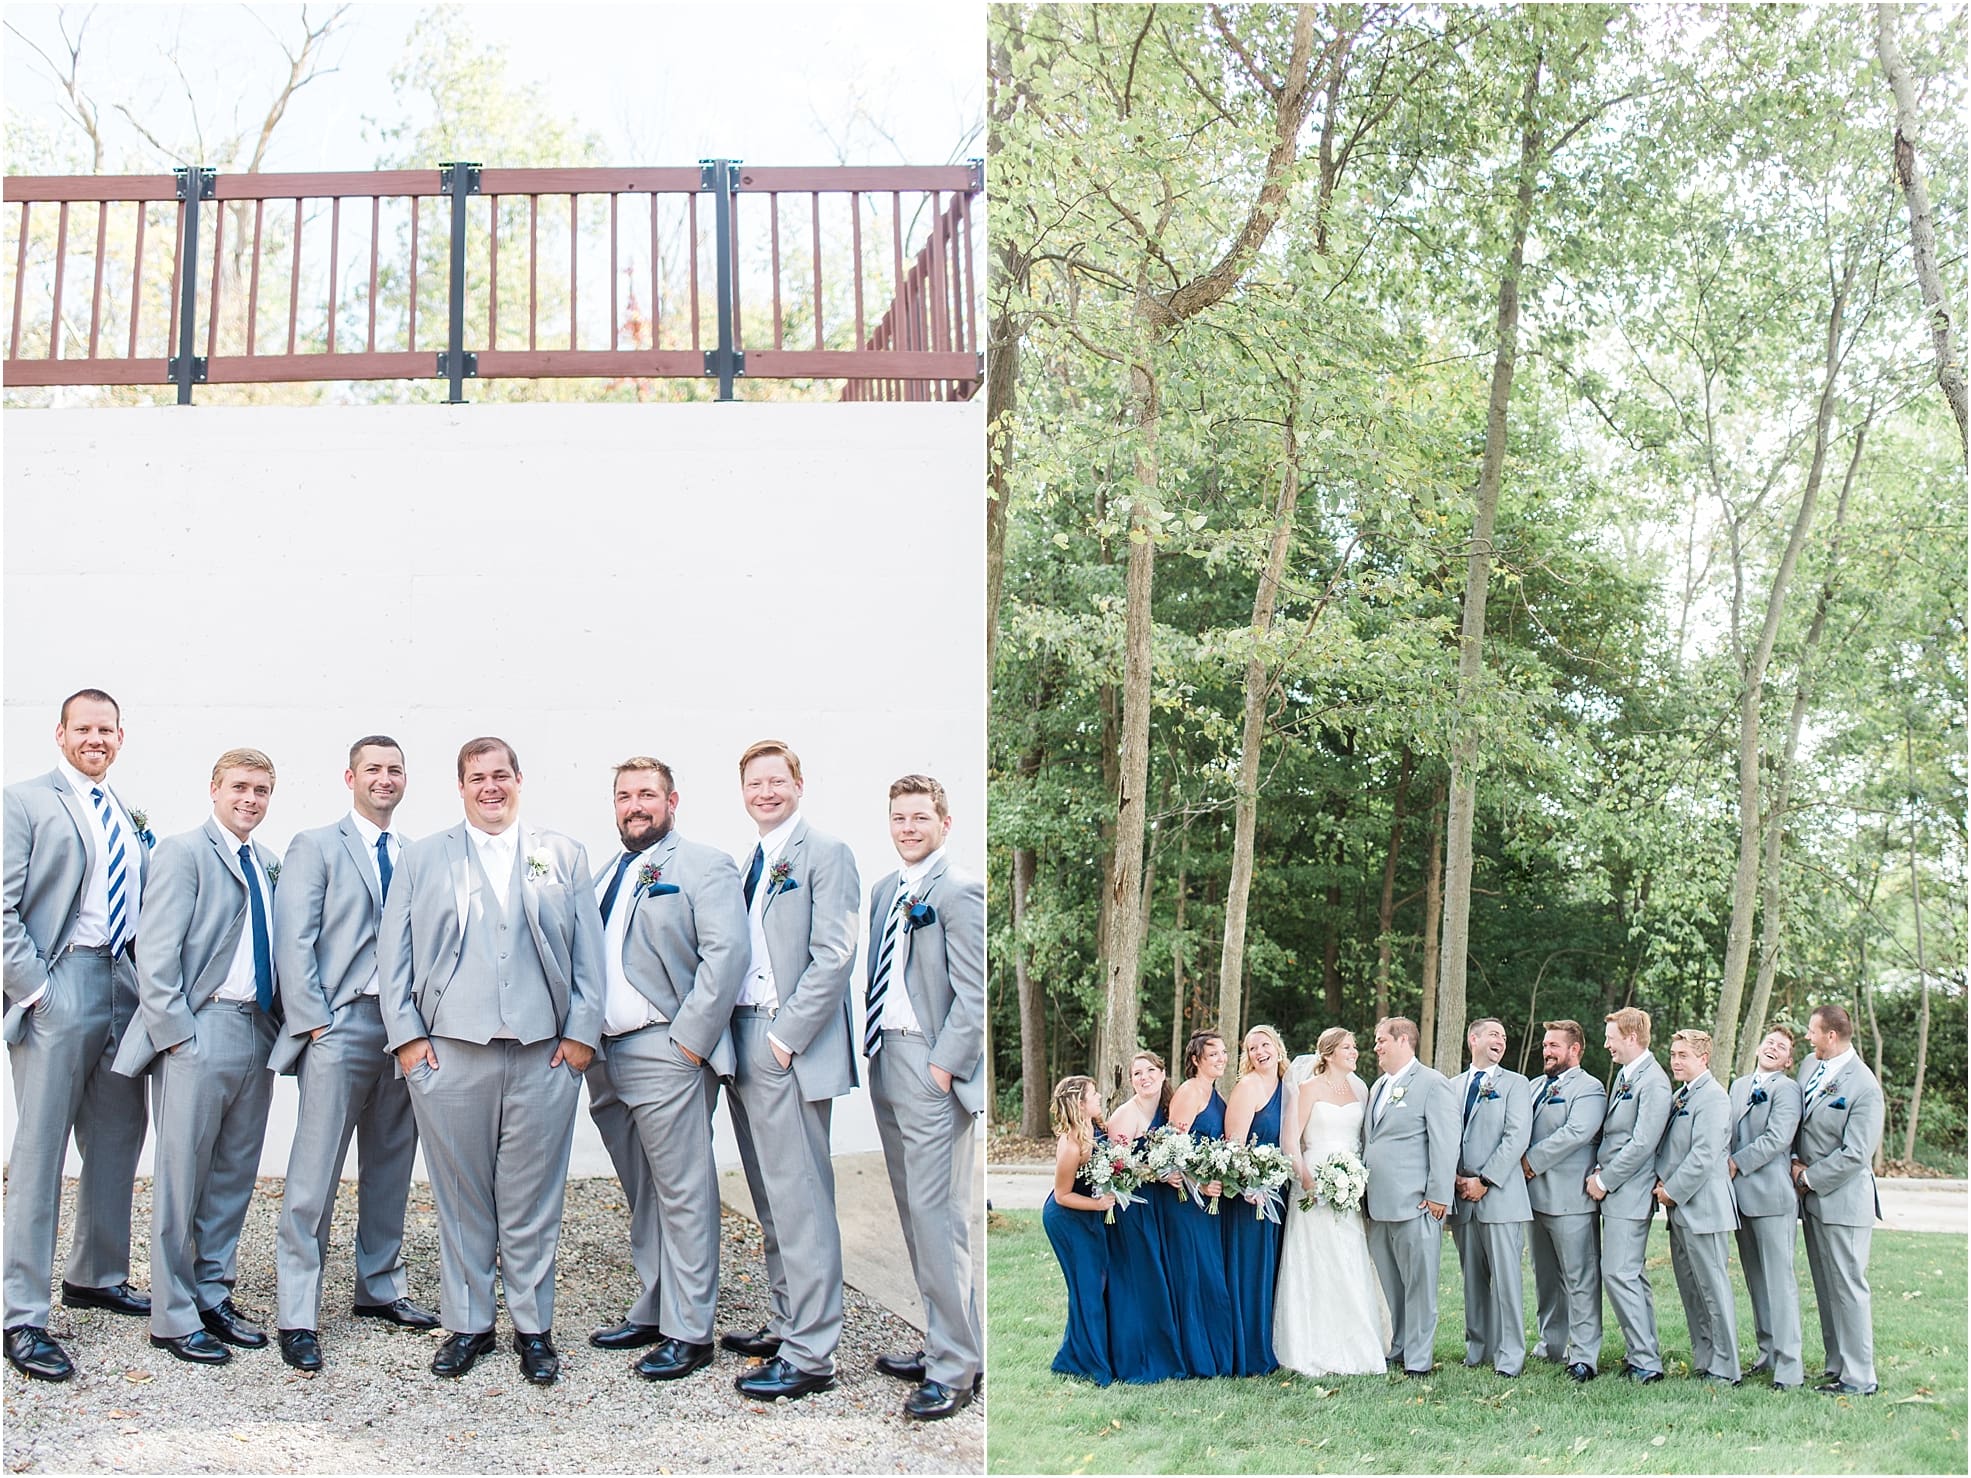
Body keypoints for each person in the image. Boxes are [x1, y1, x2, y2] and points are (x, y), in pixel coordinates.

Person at [377, 736, 604, 1386]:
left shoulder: (560, 855)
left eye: (500, 775)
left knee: (533, 1199)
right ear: (460, 786)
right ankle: (470, 1323)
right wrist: (411, 1044)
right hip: (450, 1058)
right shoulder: (423, 859)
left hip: (544, 1057)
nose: (490, 786)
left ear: (519, 779)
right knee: (462, 1197)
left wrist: (581, 1038)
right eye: (477, 777)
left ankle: (533, 1329)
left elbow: (588, 955)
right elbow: (393, 960)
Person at [269, 736, 437, 1372]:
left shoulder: (418, 855)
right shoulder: (317, 846)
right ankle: (298, 1312)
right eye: (374, 769)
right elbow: (295, 939)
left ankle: (380, 1287)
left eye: (396, 769)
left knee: (393, 1162)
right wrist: (316, 1025)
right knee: (314, 1174)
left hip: (405, 1030)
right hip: (340, 1024)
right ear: (350, 777)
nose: (386, 779)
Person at [114, 749, 284, 1366]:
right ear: (213, 788)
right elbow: (154, 956)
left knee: (235, 1174)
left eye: (262, 790)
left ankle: (213, 1294)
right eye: (240, 786)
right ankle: (172, 1315)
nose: (250, 799)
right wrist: (178, 1036)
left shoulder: (268, 862)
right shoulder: (184, 853)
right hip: (198, 1028)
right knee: (182, 1176)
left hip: (255, 1029)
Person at [3, 689, 154, 1383]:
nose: (96, 738)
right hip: (60, 983)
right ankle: (22, 1315)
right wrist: (35, 990)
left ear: (120, 737)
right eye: (83, 728)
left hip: (120, 985)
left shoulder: (123, 810)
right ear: (60, 733)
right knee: (39, 1155)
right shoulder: (25, 801)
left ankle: (95, 1273)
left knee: (120, 1135)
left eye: (106, 729)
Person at [585, 757, 748, 1382]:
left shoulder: (702, 864)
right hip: (606, 1056)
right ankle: (655, 1305)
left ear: (671, 801)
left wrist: (689, 1044)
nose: (635, 805)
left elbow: (725, 954)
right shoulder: (606, 875)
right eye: (624, 795)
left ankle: (691, 1330)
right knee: (644, 1192)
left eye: (647, 794)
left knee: (683, 1192)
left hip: (665, 1050)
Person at [720, 740, 860, 1401]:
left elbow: (834, 955)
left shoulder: (824, 854)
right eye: (755, 782)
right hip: (744, 1034)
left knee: (802, 1201)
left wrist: (782, 1041)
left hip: (784, 1042)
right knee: (771, 1198)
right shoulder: (754, 859)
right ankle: (786, 1320)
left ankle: (812, 1355)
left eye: (777, 780)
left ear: (799, 785)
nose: (766, 791)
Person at [862, 774, 985, 1418]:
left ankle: (955, 1369)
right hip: (889, 1055)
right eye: (898, 818)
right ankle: (950, 1339)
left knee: (939, 1219)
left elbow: (974, 992)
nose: (908, 828)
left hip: (930, 1063)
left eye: (919, 818)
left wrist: (942, 1070)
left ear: (944, 823)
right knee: (916, 1215)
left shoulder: (960, 890)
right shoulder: (888, 890)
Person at [1273, 1028, 1389, 1378]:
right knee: (1317, 1260)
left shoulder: (1361, 1088)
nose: (1355, 1052)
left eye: (1354, 1047)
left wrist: (1355, 1178)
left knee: (1350, 1259)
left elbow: (1363, 1139)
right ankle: (1312, 1345)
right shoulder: (1308, 1089)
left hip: (1350, 1187)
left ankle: (1357, 1343)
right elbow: (1290, 1140)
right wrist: (1306, 1179)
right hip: (1313, 1186)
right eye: (1348, 1047)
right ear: (1328, 1054)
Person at [1791, 1003, 1884, 1397]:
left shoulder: (1864, 1086)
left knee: (1849, 1287)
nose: (1808, 1037)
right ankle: (1837, 1365)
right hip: (1812, 1202)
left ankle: (1861, 1377)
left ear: (1831, 1035)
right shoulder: (1810, 1068)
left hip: (1844, 1202)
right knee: (1826, 1287)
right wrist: (1795, 1160)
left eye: (1813, 1031)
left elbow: (1856, 1153)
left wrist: (1809, 1177)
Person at [1362, 1015, 1456, 1378]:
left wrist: (1438, 1195)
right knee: (1392, 1284)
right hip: (1378, 1204)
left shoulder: (1433, 1084)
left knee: (1420, 1285)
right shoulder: (1378, 1086)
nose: (1376, 1047)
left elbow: (1445, 1143)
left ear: (1404, 1041)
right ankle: (1400, 1346)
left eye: (1381, 1039)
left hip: (1417, 1203)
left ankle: (1419, 1359)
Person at [1589, 1006, 1671, 1383]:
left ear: (1632, 1037)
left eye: (1611, 1037)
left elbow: (1642, 1144)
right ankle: (1642, 1352)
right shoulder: (1627, 1074)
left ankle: (1647, 1363)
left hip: (1630, 1191)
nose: (1606, 1044)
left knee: (1619, 1273)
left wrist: (1605, 1181)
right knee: (1628, 1275)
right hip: (1618, 1189)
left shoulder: (1653, 1081)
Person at [1653, 1028, 1739, 1385]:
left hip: (1704, 1209)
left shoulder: (1714, 1099)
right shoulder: (1682, 1096)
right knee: (1692, 1291)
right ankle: (1706, 1359)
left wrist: (1671, 1190)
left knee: (1713, 1290)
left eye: (1683, 1055)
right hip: (1681, 1212)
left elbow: (1704, 1155)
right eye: (1673, 1054)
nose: (1675, 1061)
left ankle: (1727, 1367)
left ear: (1703, 1058)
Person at [1521, 1019, 1604, 1381]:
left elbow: (1576, 1133)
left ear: (1575, 1050)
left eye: (1554, 1045)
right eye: (1544, 1045)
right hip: (1533, 1199)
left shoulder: (1590, 1089)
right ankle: (1551, 1343)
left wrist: (1530, 1161)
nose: (1547, 1051)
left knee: (1579, 1278)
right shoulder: (1535, 1086)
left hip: (1571, 1199)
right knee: (1545, 1278)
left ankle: (1584, 1354)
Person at [1449, 1017, 1532, 1378]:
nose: (1501, 1040)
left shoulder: (1516, 1084)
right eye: (1494, 1034)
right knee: (1472, 1279)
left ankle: (1510, 1354)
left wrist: (1484, 1179)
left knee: (1506, 1280)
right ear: (1474, 1039)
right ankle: (1477, 1347)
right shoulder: (1451, 1086)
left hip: (1499, 1197)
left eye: (1504, 1037)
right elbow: (1444, 1135)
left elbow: (1517, 1137)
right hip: (1461, 1197)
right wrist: (1451, 1177)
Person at [1729, 1025, 1806, 1389]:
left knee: (1780, 1282)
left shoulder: (1787, 1090)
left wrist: (1735, 1162)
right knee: (1756, 1281)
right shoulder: (1739, 1085)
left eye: (1782, 1047)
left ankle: (1790, 1367)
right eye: (1769, 1042)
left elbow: (1778, 1139)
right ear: (1758, 1047)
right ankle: (1767, 1352)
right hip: (1740, 1200)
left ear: (1789, 1060)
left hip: (1772, 1198)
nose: (1773, 1048)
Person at [1102, 1050, 1184, 1383]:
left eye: (1150, 1070)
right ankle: (1135, 1357)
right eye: (1137, 1073)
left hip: (1162, 1207)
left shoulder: (1169, 1110)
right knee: (1140, 1279)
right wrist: (1157, 1173)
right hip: (1133, 1207)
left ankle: (1165, 1349)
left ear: (1163, 1074)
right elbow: (1117, 1168)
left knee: (1162, 1277)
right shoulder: (1126, 1115)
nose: (1144, 1077)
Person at [1163, 1030, 1235, 1378]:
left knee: (1211, 1274)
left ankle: (1215, 1353)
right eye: (1213, 1054)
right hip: (1188, 1202)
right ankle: (1196, 1358)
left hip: (1211, 1202)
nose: (1221, 1058)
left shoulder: (1215, 1093)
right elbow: (1172, 1151)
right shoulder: (1190, 1092)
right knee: (1195, 1275)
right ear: (1195, 1060)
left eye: (1223, 1053)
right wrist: (1199, 1181)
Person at [1223, 1024, 1289, 1376]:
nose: (1259, 1051)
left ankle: (1270, 1342)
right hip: (1250, 1195)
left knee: (1274, 1270)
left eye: (1264, 1044)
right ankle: (1248, 1352)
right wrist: (1252, 1183)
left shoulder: (1287, 1086)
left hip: (1279, 1192)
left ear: (1278, 1048)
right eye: (1251, 1048)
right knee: (1251, 1271)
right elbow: (1233, 1145)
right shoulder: (1247, 1087)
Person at [1041, 1075, 1115, 1384]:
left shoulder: (1097, 1128)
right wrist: (1099, 1206)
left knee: (1096, 1283)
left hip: (1088, 1216)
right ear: (1080, 1104)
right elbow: (1062, 1195)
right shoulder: (1071, 1143)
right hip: (1066, 1218)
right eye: (1094, 1094)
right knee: (1087, 1286)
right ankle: (1092, 1365)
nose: (1099, 1097)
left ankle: (1072, 1356)